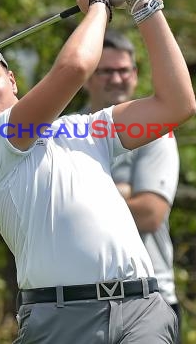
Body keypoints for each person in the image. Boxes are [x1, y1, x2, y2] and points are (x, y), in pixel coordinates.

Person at [0, 0, 196, 343]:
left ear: (11, 79)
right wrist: (98, 8)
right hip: (61, 321)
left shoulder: (84, 129)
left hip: (143, 310)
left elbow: (177, 105)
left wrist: (145, 8)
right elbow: (75, 68)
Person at [80, 28, 183, 342]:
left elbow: (151, 214)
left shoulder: (156, 130)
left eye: (124, 70)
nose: (117, 78)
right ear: (87, 78)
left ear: (136, 75)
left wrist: (86, 195)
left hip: (148, 298)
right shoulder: (70, 132)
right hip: (83, 303)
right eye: (106, 71)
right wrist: (122, 191)